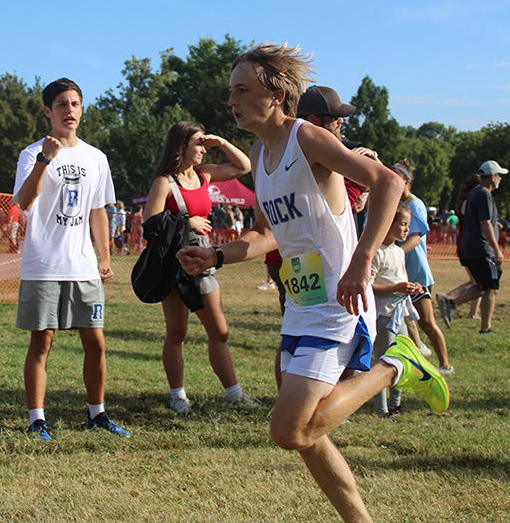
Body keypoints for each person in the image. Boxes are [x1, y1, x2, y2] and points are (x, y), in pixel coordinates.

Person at [177, 42, 449, 523]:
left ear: (278, 95)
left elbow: (387, 182)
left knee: (289, 430)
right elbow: (264, 235)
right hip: (302, 304)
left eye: (243, 90)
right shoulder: (261, 158)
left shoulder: (306, 137)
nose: (232, 101)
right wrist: (216, 254)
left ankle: (396, 365)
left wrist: (363, 261)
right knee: (307, 433)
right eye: (230, 92)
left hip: (341, 303)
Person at [14, 78, 130, 441]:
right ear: (48, 111)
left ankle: (97, 414)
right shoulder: (32, 153)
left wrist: (105, 256)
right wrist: (45, 160)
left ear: (82, 109)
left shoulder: (96, 157)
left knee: (96, 343)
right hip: (44, 265)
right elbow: (24, 201)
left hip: (82, 267)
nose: (69, 110)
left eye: (75, 104)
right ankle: (37, 420)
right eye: (61, 104)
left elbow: (98, 210)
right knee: (42, 343)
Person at [143, 120, 258, 414]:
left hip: (205, 259)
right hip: (175, 263)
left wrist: (221, 143)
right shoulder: (164, 182)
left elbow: (243, 166)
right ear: (181, 146)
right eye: (199, 144)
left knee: (219, 331)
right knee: (177, 332)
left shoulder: (204, 174)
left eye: (205, 145)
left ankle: (233, 393)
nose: (203, 150)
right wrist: (186, 221)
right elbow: (149, 224)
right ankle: (178, 395)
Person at [390, 160, 453, 375]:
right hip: (397, 273)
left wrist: (394, 253)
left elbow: (415, 239)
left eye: (397, 178)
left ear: (406, 181)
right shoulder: (393, 202)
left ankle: (445, 365)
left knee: (427, 322)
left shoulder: (415, 204)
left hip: (416, 273)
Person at [441, 161, 507, 335]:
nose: (500, 179)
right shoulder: (484, 194)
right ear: (493, 177)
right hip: (482, 248)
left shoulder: (474, 193)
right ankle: (486, 328)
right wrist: (496, 249)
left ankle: (452, 304)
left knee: (481, 285)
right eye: (499, 175)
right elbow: (484, 223)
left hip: (470, 247)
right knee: (491, 287)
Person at [370, 203, 422, 418]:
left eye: (408, 225)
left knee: (403, 360)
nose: (406, 230)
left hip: (399, 315)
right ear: (387, 223)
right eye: (402, 224)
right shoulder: (376, 252)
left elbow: (401, 280)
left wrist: (412, 287)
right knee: (384, 362)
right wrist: (395, 288)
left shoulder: (399, 252)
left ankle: (395, 404)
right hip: (383, 316)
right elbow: (366, 286)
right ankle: (382, 410)